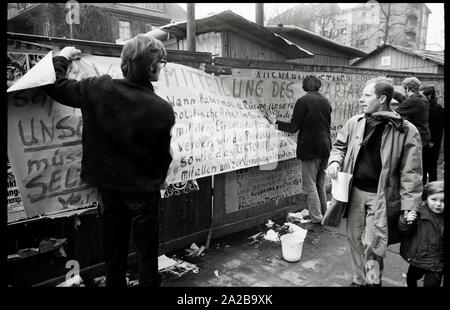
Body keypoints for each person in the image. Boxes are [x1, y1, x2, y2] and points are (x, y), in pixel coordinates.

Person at [44, 34, 175, 287]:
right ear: (151, 66)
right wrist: (159, 179)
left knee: (113, 254)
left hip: (110, 190)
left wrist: (63, 56)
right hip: (144, 193)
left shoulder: (99, 88)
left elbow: (54, 85)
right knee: (147, 256)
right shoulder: (162, 108)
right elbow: (163, 156)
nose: (162, 66)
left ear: (126, 63)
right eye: (162, 62)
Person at [323, 77, 423, 287]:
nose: (361, 100)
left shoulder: (405, 130)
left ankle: (372, 280)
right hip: (355, 192)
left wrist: (409, 207)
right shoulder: (355, 123)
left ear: (382, 98)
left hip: (382, 196)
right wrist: (334, 162)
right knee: (354, 238)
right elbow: (339, 146)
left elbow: (411, 172)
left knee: (373, 245)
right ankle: (359, 280)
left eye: (366, 95)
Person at [265, 75, 332, 229]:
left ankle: (316, 218)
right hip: (325, 147)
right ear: (318, 86)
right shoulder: (325, 101)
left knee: (310, 185)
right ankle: (324, 214)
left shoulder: (303, 101)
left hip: (310, 148)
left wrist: (275, 122)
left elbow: (293, 127)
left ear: (304, 86)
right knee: (319, 183)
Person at [398, 181, 444, 287]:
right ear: (426, 198)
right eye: (434, 199)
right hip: (419, 258)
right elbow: (405, 230)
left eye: (443, 201)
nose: (438, 204)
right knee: (411, 278)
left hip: (436, 263)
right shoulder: (418, 212)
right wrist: (406, 221)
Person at [394, 77, 431, 179]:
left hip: (418, 138)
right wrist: (393, 93)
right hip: (424, 137)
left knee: (413, 168)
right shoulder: (421, 97)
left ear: (407, 88)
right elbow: (406, 101)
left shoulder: (413, 101)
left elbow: (394, 113)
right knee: (420, 167)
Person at [420, 86, 444, 184]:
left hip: (432, 143)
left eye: (422, 96)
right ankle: (424, 191)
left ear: (429, 96)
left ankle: (433, 191)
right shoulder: (425, 106)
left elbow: (439, 128)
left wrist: (432, 141)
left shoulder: (437, 108)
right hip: (426, 141)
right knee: (424, 167)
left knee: (432, 167)